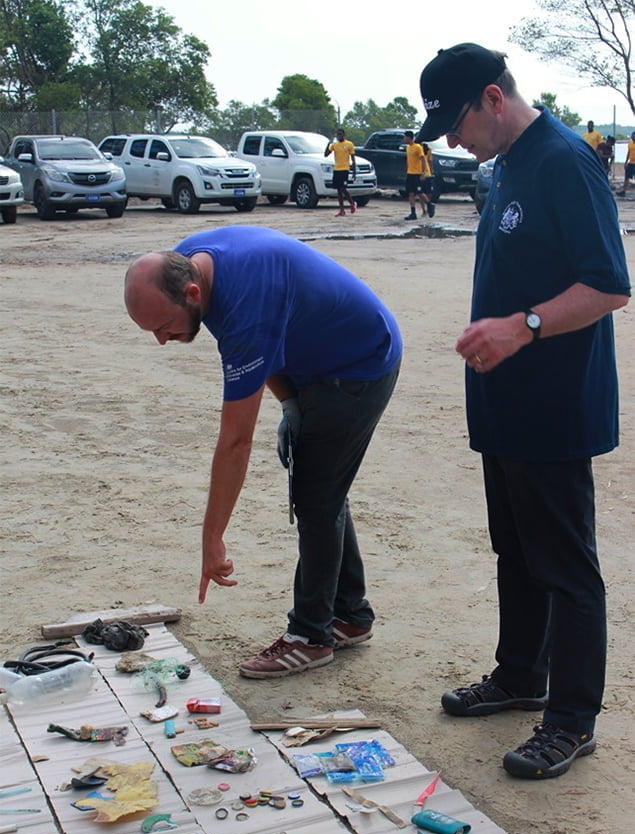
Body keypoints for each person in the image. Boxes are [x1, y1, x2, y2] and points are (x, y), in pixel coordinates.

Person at [416, 43, 630, 779]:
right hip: (504, 400)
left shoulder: (563, 159)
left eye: (455, 121)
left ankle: (570, 719)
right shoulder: (506, 162)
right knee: (515, 550)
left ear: (492, 97)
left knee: (565, 567)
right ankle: (519, 676)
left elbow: (608, 286)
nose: (449, 140)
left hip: (554, 403)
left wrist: (523, 326)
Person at [124, 226, 402, 679]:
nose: (161, 340)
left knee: (316, 495)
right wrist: (291, 403)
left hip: (359, 364)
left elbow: (235, 441)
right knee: (322, 486)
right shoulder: (188, 266)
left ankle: (311, 636)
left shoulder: (241, 306)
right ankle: (350, 614)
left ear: (192, 292)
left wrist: (212, 539)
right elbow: (269, 339)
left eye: (163, 327)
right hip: (319, 355)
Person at [403, 131, 435, 219]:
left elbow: (423, 160)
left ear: (409, 137)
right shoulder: (408, 148)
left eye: (405, 137)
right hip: (410, 173)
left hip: (417, 173)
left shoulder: (418, 147)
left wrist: (423, 172)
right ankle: (413, 213)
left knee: (420, 192)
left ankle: (429, 204)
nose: (404, 139)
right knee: (411, 193)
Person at [324, 128, 357, 215]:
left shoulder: (349, 144)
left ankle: (352, 203)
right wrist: (328, 145)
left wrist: (354, 171)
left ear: (344, 135)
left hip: (345, 169)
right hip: (337, 169)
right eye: (338, 134)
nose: (339, 136)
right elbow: (326, 154)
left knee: (343, 188)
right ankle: (342, 210)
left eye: (341, 134)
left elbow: (353, 158)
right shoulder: (335, 145)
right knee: (338, 190)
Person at [617, 130, 635, 196]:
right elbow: (628, 153)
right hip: (631, 163)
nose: (633, 137)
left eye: (634, 136)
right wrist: (626, 162)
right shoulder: (630, 144)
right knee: (626, 177)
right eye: (632, 136)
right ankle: (623, 191)